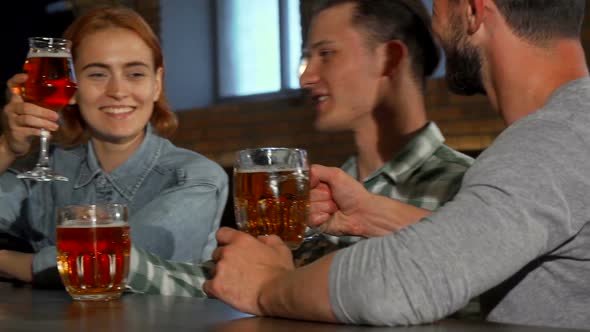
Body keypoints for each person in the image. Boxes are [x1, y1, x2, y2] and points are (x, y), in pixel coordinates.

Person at [202, 0, 590, 329]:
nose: (436, 26)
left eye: (440, 4)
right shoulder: (570, 131)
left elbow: (398, 283)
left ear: (472, 10)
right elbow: (493, 248)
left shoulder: (553, 138)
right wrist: (372, 215)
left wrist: (266, 287)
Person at [0, 7, 228, 286]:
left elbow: (110, 264)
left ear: (156, 85)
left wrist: (8, 263)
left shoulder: (196, 177)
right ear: (70, 86)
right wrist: (8, 148)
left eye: (135, 74)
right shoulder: (50, 170)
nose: (118, 91)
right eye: (97, 74)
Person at [293, 0, 473, 266]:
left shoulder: (468, 189)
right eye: (307, 58)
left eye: (327, 54)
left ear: (390, 59)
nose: (306, 77)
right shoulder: (320, 197)